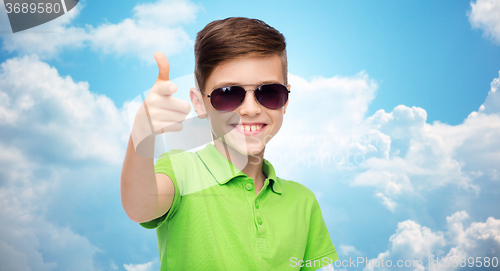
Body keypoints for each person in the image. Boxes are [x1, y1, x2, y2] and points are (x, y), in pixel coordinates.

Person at [121, 17, 339, 270]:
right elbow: (140, 206)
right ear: (199, 103)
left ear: (286, 99)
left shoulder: (303, 200)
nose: (249, 109)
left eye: (268, 92)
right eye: (228, 94)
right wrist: (142, 134)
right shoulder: (182, 171)